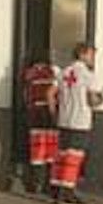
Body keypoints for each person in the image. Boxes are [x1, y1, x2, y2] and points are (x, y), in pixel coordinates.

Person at [51, 43, 103, 204]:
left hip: (64, 119)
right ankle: (67, 192)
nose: (93, 58)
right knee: (74, 157)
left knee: (61, 155)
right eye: (91, 54)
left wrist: (55, 113)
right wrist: (101, 98)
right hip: (80, 120)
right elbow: (92, 100)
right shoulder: (88, 75)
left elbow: (51, 93)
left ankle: (55, 188)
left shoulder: (63, 72)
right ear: (82, 54)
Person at [21, 51, 59, 195]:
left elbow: (26, 95)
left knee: (37, 151)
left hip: (34, 115)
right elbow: (54, 95)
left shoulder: (29, 73)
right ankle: (48, 185)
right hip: (48, 115)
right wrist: (54, 114)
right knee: (51, 151)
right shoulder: (53, 72)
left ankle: (34, 183)